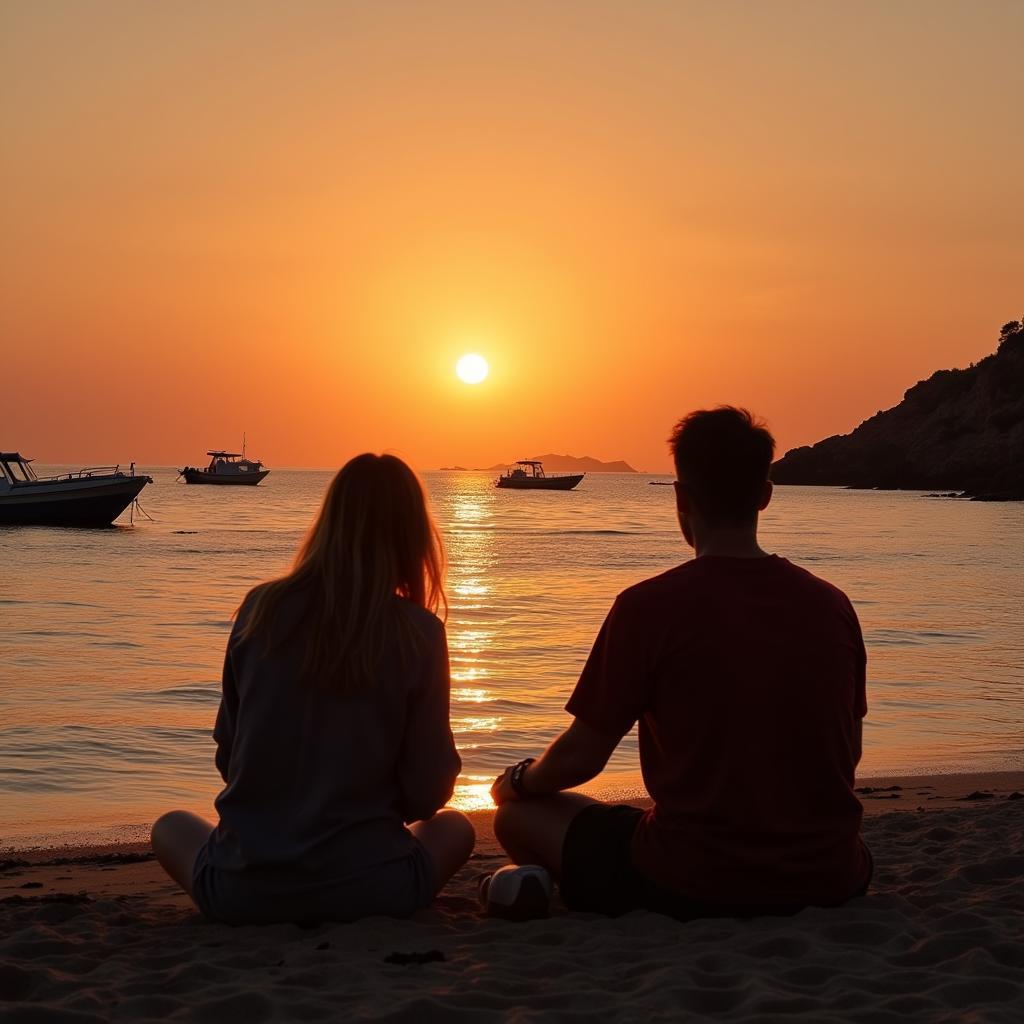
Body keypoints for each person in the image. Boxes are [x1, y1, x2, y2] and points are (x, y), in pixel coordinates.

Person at [491, 407, 870, 919]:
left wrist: (516, 782)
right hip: (832, 875)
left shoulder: (647, 608)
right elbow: (848, 754)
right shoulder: (833, 606)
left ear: (681, 498)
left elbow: (582, 758)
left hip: (691, 879)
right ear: (765, 495)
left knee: (518, 818)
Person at [152, 454, 474, 924]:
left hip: (241, 892)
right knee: (456, 828)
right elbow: (428, 791)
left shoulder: (260, 610)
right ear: (412, 535)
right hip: (373, 891)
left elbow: (229, 758)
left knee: (171, 826)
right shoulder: (418, 633)